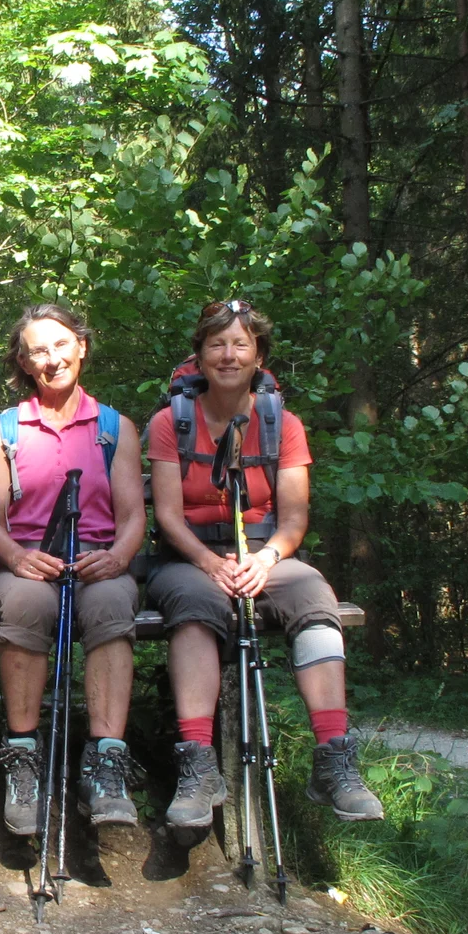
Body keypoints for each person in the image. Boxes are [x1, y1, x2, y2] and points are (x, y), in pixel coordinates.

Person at [146, 299, 383, 825]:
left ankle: (335, 759)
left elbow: (294, 519)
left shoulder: (283, 425)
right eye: (216, 344)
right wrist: (211, 563)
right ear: (200, 355)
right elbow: (167, 516)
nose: (228, 355)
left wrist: (267, 558)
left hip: (263, 553)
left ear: (258, 356)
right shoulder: (170, 423)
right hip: (190, 557)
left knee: (313, 593)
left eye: (240, 344)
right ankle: (198, 765)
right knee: (194, 602)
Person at [0, 304, 146, 834]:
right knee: (28, 604)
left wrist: (118, 557)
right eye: (37, 352)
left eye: (60, 345)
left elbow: (134, 515)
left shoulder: (114, 427)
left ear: (82, 347)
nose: (52, 359)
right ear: (24, 364)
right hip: (24, 563)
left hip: (96, 560)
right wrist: (17, 558)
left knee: (113, 603)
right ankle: (23, 757)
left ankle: (107, 762)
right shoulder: (4, 429)